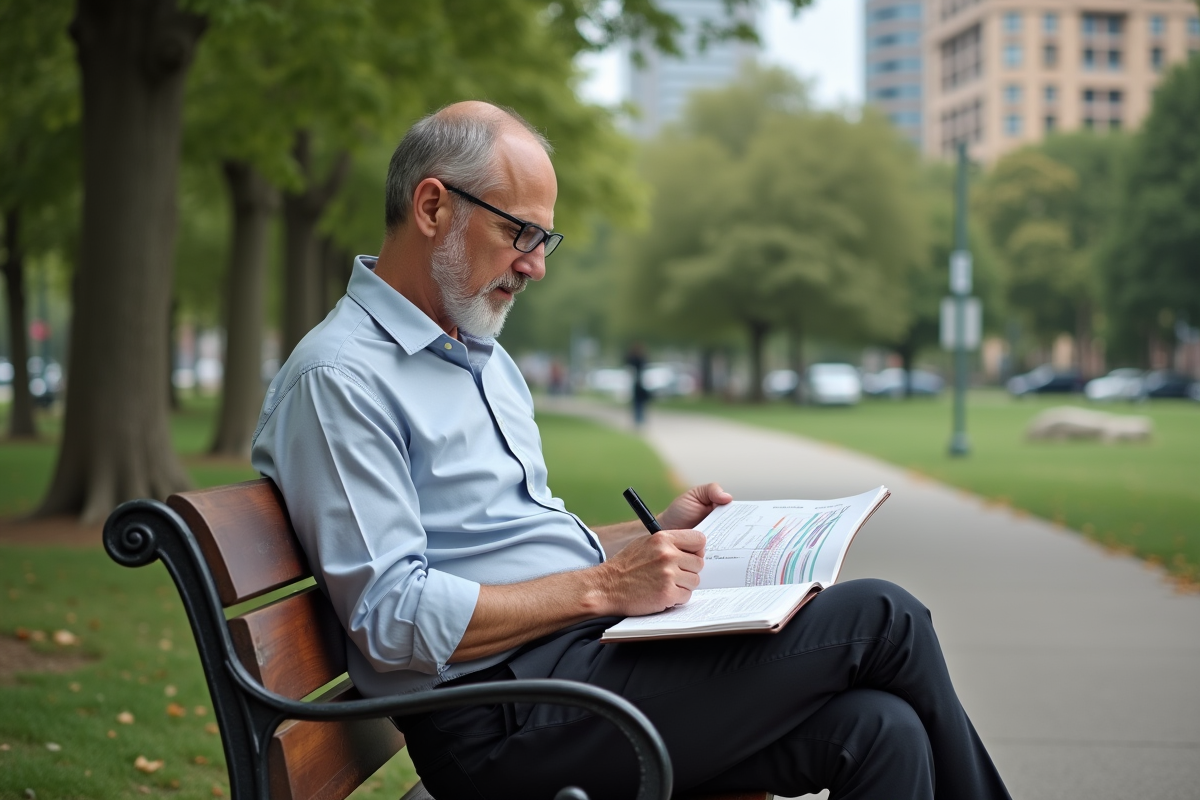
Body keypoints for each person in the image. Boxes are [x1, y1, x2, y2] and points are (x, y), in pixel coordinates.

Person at [251, 101, 1011, 800]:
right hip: (500, 724)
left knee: (881, 731)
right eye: (520, 232)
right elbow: (389, 617)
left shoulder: (478, 355)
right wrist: (608, 587)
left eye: (544, 239)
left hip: (572, 672)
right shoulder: (341, 378)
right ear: (431, 206)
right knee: (884, 617)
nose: (536, 264)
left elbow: (507, 547)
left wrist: (644, 539)